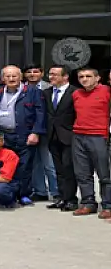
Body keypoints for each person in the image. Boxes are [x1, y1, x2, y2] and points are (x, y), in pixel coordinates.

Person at [0, 65, 45, 205]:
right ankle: (7, 194)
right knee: (3, 165)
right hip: (2, 135)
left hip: (24, 135)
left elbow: (40, 113)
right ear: (2, 78)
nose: (11, 78)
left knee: (24, 167)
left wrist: (35, 132)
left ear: (20, 77)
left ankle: (23, 194)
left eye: (14, 76)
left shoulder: (32, 92)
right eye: (8, 76)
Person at [70, 67, 111, 219]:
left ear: (97, 78)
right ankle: (88, 203)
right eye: (81, 77)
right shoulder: (76, 94)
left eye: (88, 76)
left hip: (99, 136)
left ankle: (108, 205)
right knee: (82, 173)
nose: (84, 79)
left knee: (104, 174)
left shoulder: (106, 91)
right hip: (78, 135)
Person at [43, 65, 78, 211]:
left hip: (69, 136)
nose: (51, 77)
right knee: (58, 169)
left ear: (65, 77)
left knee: (68, 169)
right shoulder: (46, 93)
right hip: (52, 136)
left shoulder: (75, 92)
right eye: (50, 74)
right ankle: (61, 198)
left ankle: (71, 200)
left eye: (55, 74)